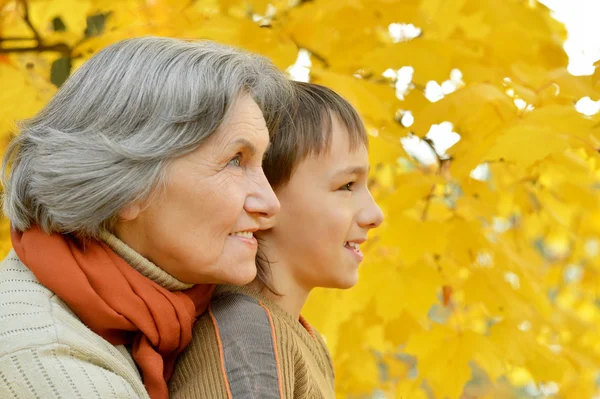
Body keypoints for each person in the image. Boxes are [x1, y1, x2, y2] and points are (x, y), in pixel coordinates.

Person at [0, 36, 292, 399]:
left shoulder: (160, 319)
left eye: (261, 162)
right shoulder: (50, 365)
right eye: (235, 160)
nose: (269, 202)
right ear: (128, 186)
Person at [170, 81, 385, 398]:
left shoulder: (292, 335)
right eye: (347, 186)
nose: (375, 214)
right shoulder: (249, 335)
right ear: (263, 196)